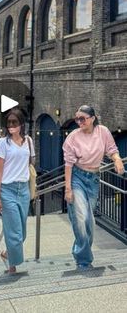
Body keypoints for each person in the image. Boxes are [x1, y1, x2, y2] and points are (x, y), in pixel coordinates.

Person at [63, 105, 124, 271]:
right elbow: (68, 165)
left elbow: (111, 149)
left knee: (89, 220)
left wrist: (117, 159)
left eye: (83, 118)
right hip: (77, 177)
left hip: (94, 179)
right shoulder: (72, 138)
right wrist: (68, 189)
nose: (79, 122)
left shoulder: (103, 132)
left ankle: (81, 251)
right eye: (77, 118)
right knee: (80, 217)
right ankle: (83, 259)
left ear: (92, 118)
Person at [0, 108, 35, 273]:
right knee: (14, 233)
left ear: (21, 124)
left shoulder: (29, 141)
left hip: (23, 189)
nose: (11, 125)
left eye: (14, 122)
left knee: (22, 232)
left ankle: (8, 253)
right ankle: (13, 266)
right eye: (8, 122)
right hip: (7, 190)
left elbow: (30, 162)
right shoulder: (3, 143)